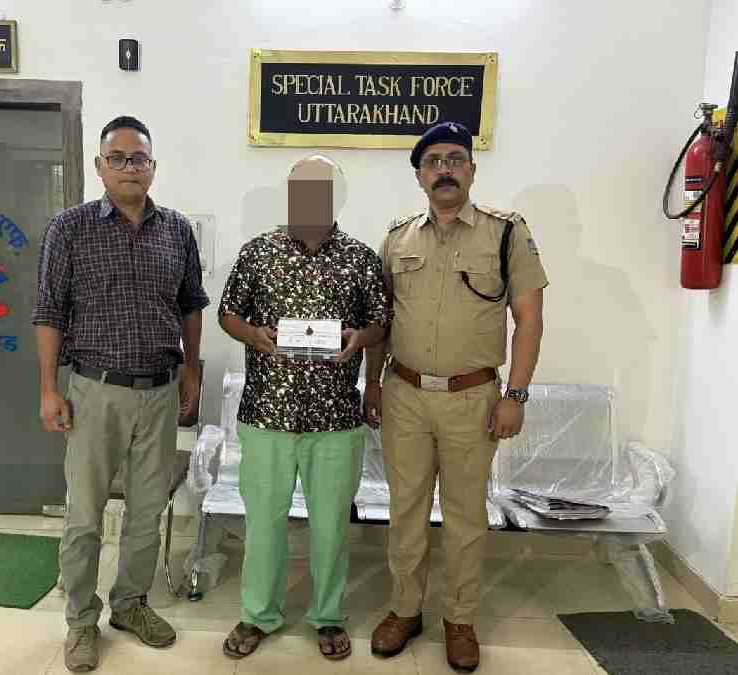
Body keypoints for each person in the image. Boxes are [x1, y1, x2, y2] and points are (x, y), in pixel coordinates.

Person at [365, 122, 548, 672]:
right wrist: (372, 384)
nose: (444, 169)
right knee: (406, 510)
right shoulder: (397, 238)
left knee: (466, 515)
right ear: (419, 176)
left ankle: (460, 620)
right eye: (433, 162)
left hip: (473, 398)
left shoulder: (506, 232)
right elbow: (379, 321)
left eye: (455, 159)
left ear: (471, 169)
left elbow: (530, 319)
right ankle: (405, 610)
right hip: (405, 393)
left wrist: (516, 395)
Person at [31, 116, 209, 672]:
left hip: (160, 392)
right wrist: (49, 390)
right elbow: (49, 311)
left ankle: (130, 604)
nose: (130, 167)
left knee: (146, 511)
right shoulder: (70, 228)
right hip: (95, 392)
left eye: (140, 158)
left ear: (153, 167)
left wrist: (191, 370)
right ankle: (81, 620)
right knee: (85, 515)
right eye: (118, 158)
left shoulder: (176, 230)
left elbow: (191, 305)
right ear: (99, 166)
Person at [218, 155, 391, 661]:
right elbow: (228, 314)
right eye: (302, 188)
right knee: (264, 523)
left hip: (336, 417)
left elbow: (381, 323)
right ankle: (259, 614)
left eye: (322, 188)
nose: (311, 197)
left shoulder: (360, 258)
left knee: (332, 525)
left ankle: (328, 615)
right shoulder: (258, 253)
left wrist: (362, 344)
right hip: (267, 414)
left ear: (337, 195)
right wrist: (253, 334)